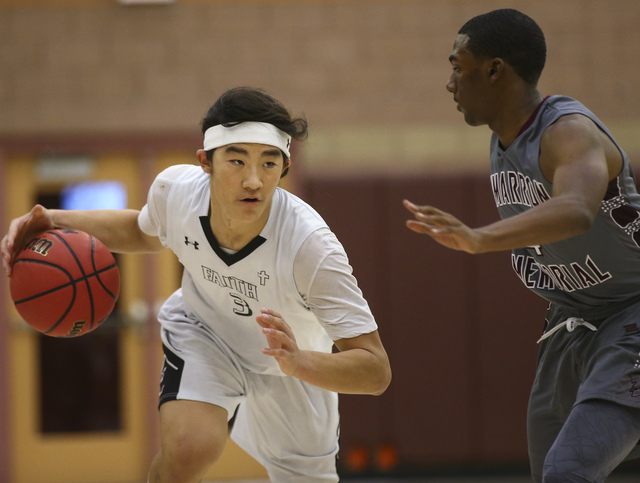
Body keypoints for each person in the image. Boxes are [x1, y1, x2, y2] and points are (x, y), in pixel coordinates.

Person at [2, 86, 391, 483]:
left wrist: (300, 361)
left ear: (286, 167)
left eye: (269, 163)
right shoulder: (176, 192)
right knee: (190, 448)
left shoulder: (312, 248)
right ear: (205, 161)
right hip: (207, 332)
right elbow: (142, 232)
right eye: (237, 161)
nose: (254, 180)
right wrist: (53, 219)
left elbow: (376, 370)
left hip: (294, 363)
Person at [404, 8, 640, 483]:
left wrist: (477, 238)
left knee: (568, 471)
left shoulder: (567, 130)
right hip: (569, 325)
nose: (450, 82)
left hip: (629, 315)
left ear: (494, 70)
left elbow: (576, 209)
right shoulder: (501, 139)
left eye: (457, 65)